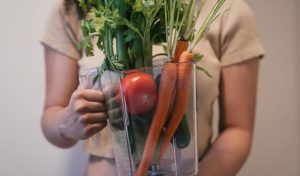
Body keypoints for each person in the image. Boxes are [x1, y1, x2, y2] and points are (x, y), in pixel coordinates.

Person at [40, 0, 265, 175]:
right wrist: (67, 123)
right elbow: (52, 118)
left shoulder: (226, 10)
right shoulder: (72, 9)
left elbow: (238, 130)